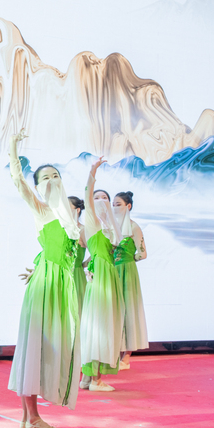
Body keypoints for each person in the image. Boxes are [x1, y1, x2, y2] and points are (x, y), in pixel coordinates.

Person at [6, 128, 81, 428]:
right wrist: (13, 146)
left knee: (47, 347)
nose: (51, 180)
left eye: (55, 176)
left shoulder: (71, 219)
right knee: (35, 347)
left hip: (62, 285)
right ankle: (34, 418)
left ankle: (28, 417)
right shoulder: (42, 210)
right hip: (47, 286)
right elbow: (17, 181)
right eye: (45, 178)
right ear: (38, 186)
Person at [79, 158, 125, 392]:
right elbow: (87, 194)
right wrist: (92, 172)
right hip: (101, 277)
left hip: (108, 275)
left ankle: (88, 378)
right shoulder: (92, 222)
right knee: (98, 324)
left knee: (104, 324)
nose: (100, 201)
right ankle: (94, 379)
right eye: (96, 198)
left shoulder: (110, 228)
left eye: (105, 198)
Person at [113, 191, 148, 369]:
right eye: (113, 205)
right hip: (111, 271)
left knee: (128, 310)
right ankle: (112, 353)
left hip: (127, 272)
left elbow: (143, 253)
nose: (114, 207)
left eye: (118, 204)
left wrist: (127, 260)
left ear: (128, 206)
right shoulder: (109, 227)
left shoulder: (134, 227)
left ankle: (126, 357)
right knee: (113, 311)